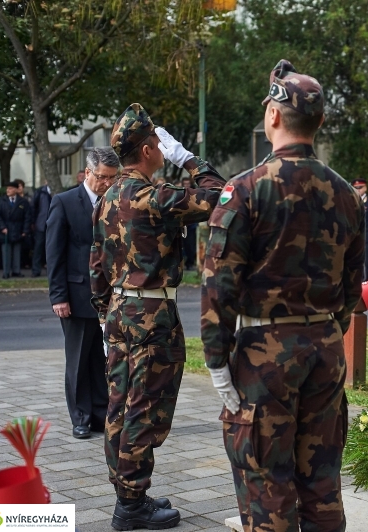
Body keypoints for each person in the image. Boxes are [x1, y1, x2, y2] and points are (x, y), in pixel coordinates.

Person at [201, 59, 364, 532]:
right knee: (322, 482)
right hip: (326, 349)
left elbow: (218, 285)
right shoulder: (346, 194)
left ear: (273, 116)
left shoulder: (245, 191)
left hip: (264, 358)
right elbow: (352, 288)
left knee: (266, 484)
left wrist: (216, 362)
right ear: (319, 122)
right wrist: (329, 333)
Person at [90, 103, 226, 530]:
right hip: (152, 312)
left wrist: (103, 312)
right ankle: (130, 506)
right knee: (144, 408)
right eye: (159, 148)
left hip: (118, 311)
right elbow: (218, 195)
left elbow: (95, 264)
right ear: (150, 149)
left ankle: (128, 493)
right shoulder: (156, 195)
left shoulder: (108, 196)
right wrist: (189, 160)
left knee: (119, 405)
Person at [47, 149, 116, 440]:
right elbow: (54, 253)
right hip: (75, 295)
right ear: (87, 173)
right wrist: (58, 296)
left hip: (109, 296)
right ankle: (81, 417)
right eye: (102, 177)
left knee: (102, 359)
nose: (107, 183)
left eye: (113, 178)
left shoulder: (115, 201)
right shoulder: (63, 202)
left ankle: (101, 414)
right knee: (77, 360)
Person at [0, 180, 31, 279]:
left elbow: (27, 217)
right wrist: (2, 227)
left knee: (17, 251)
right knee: (6, 252)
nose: (8, 190)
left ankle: (16, 270)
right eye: (7, 188)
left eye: (10, 188)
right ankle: (6, 272)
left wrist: (25, 230)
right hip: (5, 230)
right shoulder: (1, 201)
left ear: (15, 190)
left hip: (18, 229)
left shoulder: (23, 201)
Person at [32, 180, 52, 277]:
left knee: (52, 248)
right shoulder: (40, 192)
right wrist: (33, 222)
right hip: (41, 223)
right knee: (38, 247)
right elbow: (34, 207)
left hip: (53, 224)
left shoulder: (57, 191)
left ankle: (51, 270)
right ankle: (36, 270)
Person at [180, 177, 198, 271]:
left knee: (190, 245)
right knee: (182, 245)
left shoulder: (194, 193)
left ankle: (190, 263)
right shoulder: (180, 193)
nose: (186, 185)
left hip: (191, 224)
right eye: (185, 183)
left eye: (188, 183)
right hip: (181, 223)